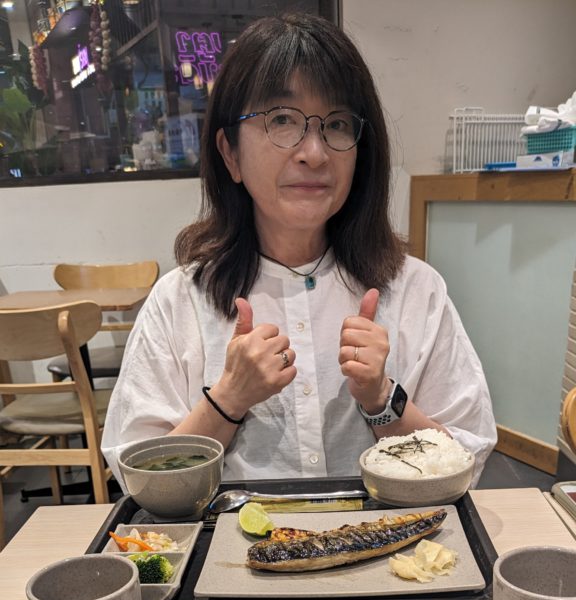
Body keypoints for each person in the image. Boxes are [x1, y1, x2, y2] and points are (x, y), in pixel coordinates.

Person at [102, 14, 496, 486]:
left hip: (391, 533)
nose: (315, 152)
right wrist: (227, 400)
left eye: (337, 124)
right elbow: (138, 479)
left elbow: (467, 458)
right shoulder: (180, 302)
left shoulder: (415, 290)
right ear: (230, 153)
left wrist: (382, 400)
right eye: (282, 120)